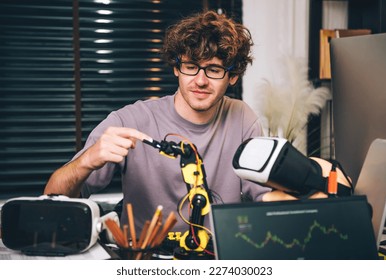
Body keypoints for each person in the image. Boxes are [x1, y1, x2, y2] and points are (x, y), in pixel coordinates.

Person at [44, 10, 271, 235]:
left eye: (214, 70)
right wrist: (86, 161)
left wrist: (302, 184)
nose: (200, 81)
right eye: (191, 66)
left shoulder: (242, 118)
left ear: (232, 76)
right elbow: (51, 198)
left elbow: (266, 200)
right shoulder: (130, 120)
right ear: (176, 68)